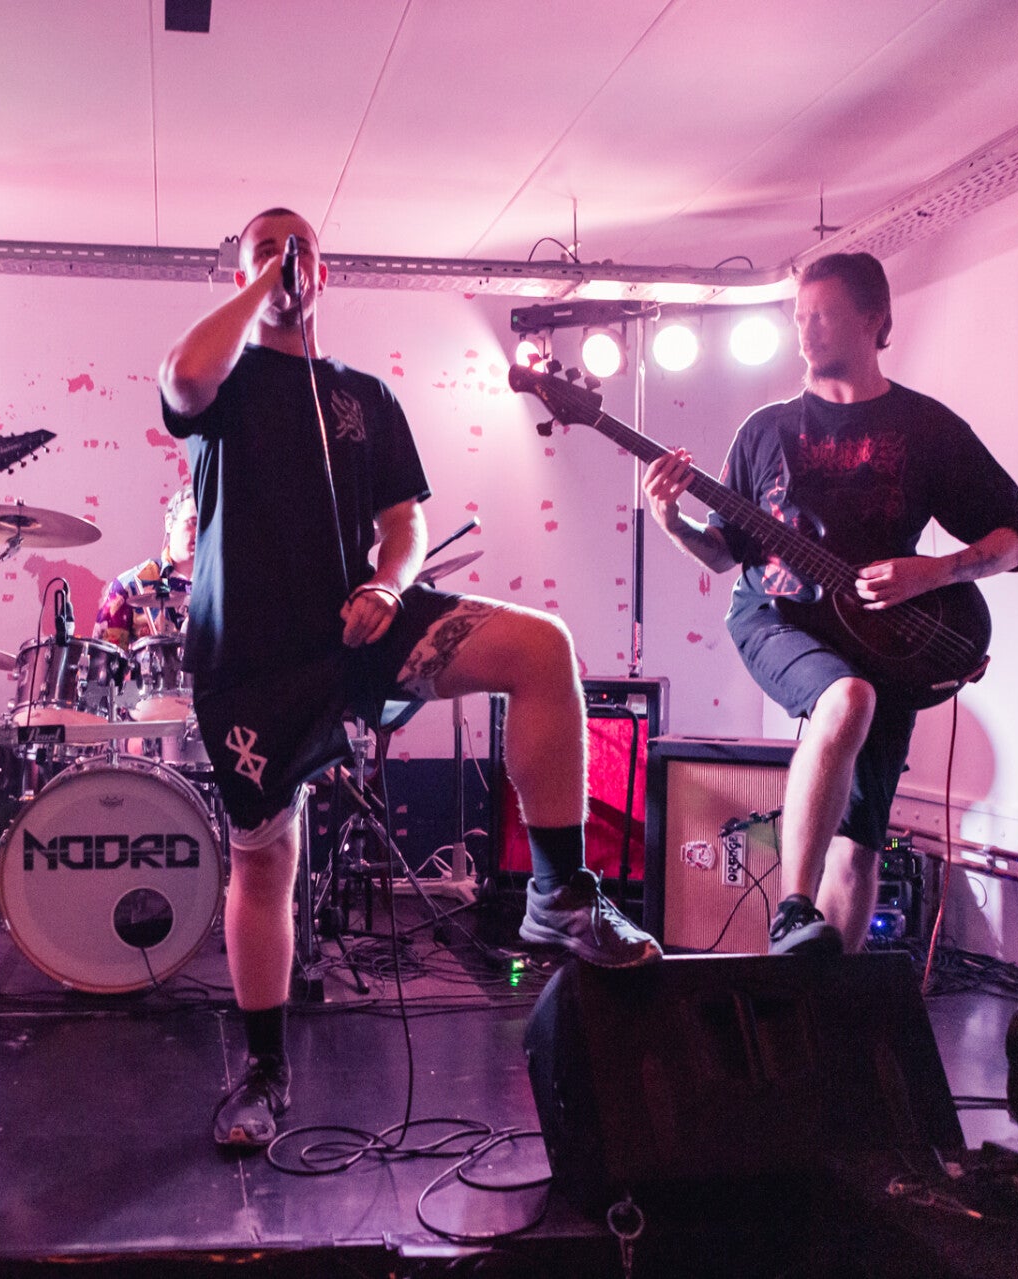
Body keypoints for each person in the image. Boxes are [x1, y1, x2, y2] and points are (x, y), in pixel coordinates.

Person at [159, 207, 660, 1150]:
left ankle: (559, 891)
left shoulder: (365, 396)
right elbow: (182, 373)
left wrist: (389, 584)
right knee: (265, 857)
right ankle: (264, 1070)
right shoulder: (223, 382)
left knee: (541, 648)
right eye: (263, 252)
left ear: (327, 272)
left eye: (299, 250)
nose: (284, 261)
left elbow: (405, 521)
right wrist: (266, 284)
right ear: (240, 275)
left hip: (359, 627)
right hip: (250, 662)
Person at [642, 252, 1018, 957]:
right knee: (845, 699)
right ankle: (793, 907)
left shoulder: (926, 429)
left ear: (873, 319)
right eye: (798, 317)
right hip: (774, 617)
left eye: (821, 315)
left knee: (858, 849)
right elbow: (723, 552)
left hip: (887, 638)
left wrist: (936, 571)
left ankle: (822, 999)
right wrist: (671, 520)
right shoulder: (765, 431)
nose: (804, 331)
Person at [95, 485, 195, 649]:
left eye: (207, 525)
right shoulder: (128, 585)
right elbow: (105, 659)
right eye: (193, 522)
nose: (200, 531)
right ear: (169, 522)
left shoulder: (222, 586)